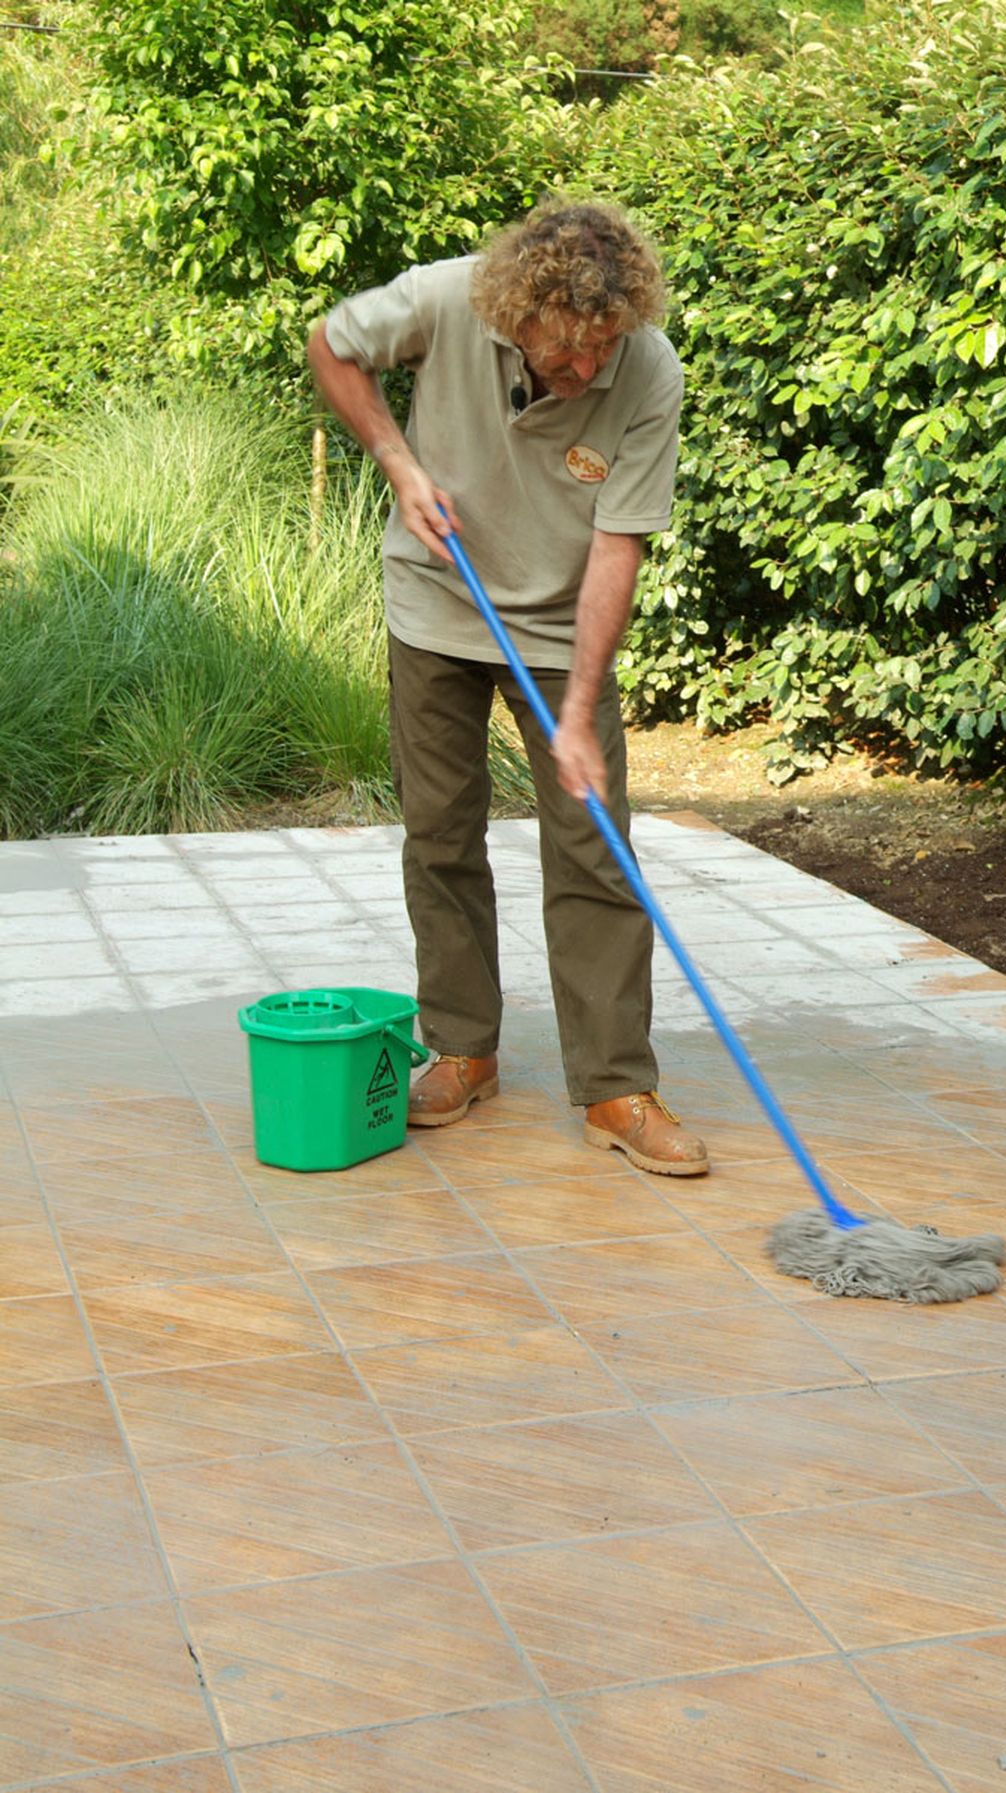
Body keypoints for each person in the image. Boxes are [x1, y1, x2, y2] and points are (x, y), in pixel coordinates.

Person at [307, 197, 707, 1176]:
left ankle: (615, 1083)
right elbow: (330, 345)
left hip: (563, 627)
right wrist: (397, 460)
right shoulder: (446, 300)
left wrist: (577, 708)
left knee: (595, 848)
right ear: (513, 316)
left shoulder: (647, 369)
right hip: (437, 604)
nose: (584, 372)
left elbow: (620, 545)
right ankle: (462, 1047)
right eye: (565, 352)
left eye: (600, 349)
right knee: (440, 831)